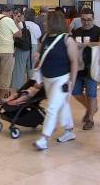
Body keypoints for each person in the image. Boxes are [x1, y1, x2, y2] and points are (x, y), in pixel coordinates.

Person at [33, 11, 78, 151]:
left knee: (52, 107)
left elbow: (74, 62)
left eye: (47, 21)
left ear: (54, 23)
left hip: (62, 79)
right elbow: (40, 54)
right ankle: (69, 131)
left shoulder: (67, 39)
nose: (44, 23)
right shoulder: (45, 37)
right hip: (47, 78)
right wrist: (37, 55)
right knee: (62, 105)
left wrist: (72, 81)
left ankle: (43, 139)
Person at [71, 8, 100, 130]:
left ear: (93, 19)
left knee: (91, 94)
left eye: (89, 20)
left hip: (92, 67)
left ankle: (90, 119)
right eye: (83, 20)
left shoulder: (99, 31)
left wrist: (89, 44)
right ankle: (91, 109)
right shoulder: (76, 32)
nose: (86, 22)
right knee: (75, 92)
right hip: (78, 67)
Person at [0, 4, 21, 104]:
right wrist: (16, 21)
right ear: (11, 12)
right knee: (6, 76)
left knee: (0, 75)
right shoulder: (9, 20)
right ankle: (1, 98)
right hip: (7, 50)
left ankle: (1, 95)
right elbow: (19, 34)